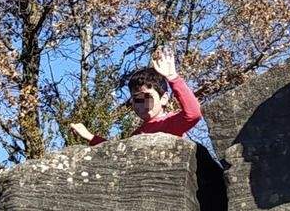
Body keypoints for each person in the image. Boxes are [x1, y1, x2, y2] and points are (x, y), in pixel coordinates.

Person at [70, 49, 202, 145]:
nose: (142, 102)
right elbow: (116, 154)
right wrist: (90, 137)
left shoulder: (170, 123)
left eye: (147, 96)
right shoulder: (137, 134)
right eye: (136, 98)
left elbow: (193, 113)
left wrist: (173, 77)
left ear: (164, 98)